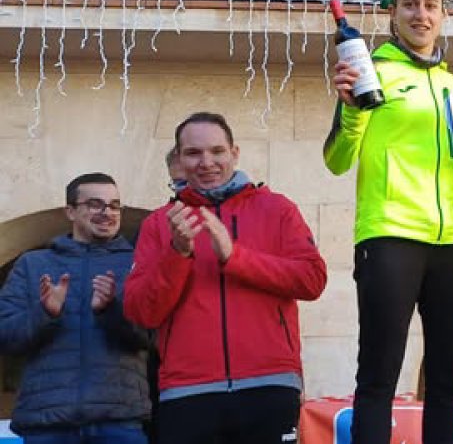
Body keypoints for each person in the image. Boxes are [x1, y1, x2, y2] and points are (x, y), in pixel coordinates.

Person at [324, 0, 453, 444]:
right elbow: (336, 160)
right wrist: (352, 111)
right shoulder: (368, 71)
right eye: (411, 4)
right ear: (392, 12)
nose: (421, 14)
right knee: (379, 375)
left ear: (444, 15)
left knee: (446, 382)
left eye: (431, 5)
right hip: (391, 233)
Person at [125, 112, 328, 444]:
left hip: (270, 383)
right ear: (179, 159)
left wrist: (235, 257)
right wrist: (178, 253)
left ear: (234, 153)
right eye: (193, 153)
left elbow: (312, 280)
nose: (206, 162)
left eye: (217, 151)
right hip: (187, 391)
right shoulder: (159, 223)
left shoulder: (277, 208)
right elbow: (141, 311)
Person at [0, 172, 150, 443]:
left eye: (114, 205)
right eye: (95, 204)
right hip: (46, 422)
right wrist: (45, 313)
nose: (107, 213)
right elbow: (5, 336)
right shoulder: (32, 264)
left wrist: (111, 310)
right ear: (70, 211)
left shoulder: (137, 263)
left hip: (118, 420)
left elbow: (152, 337)